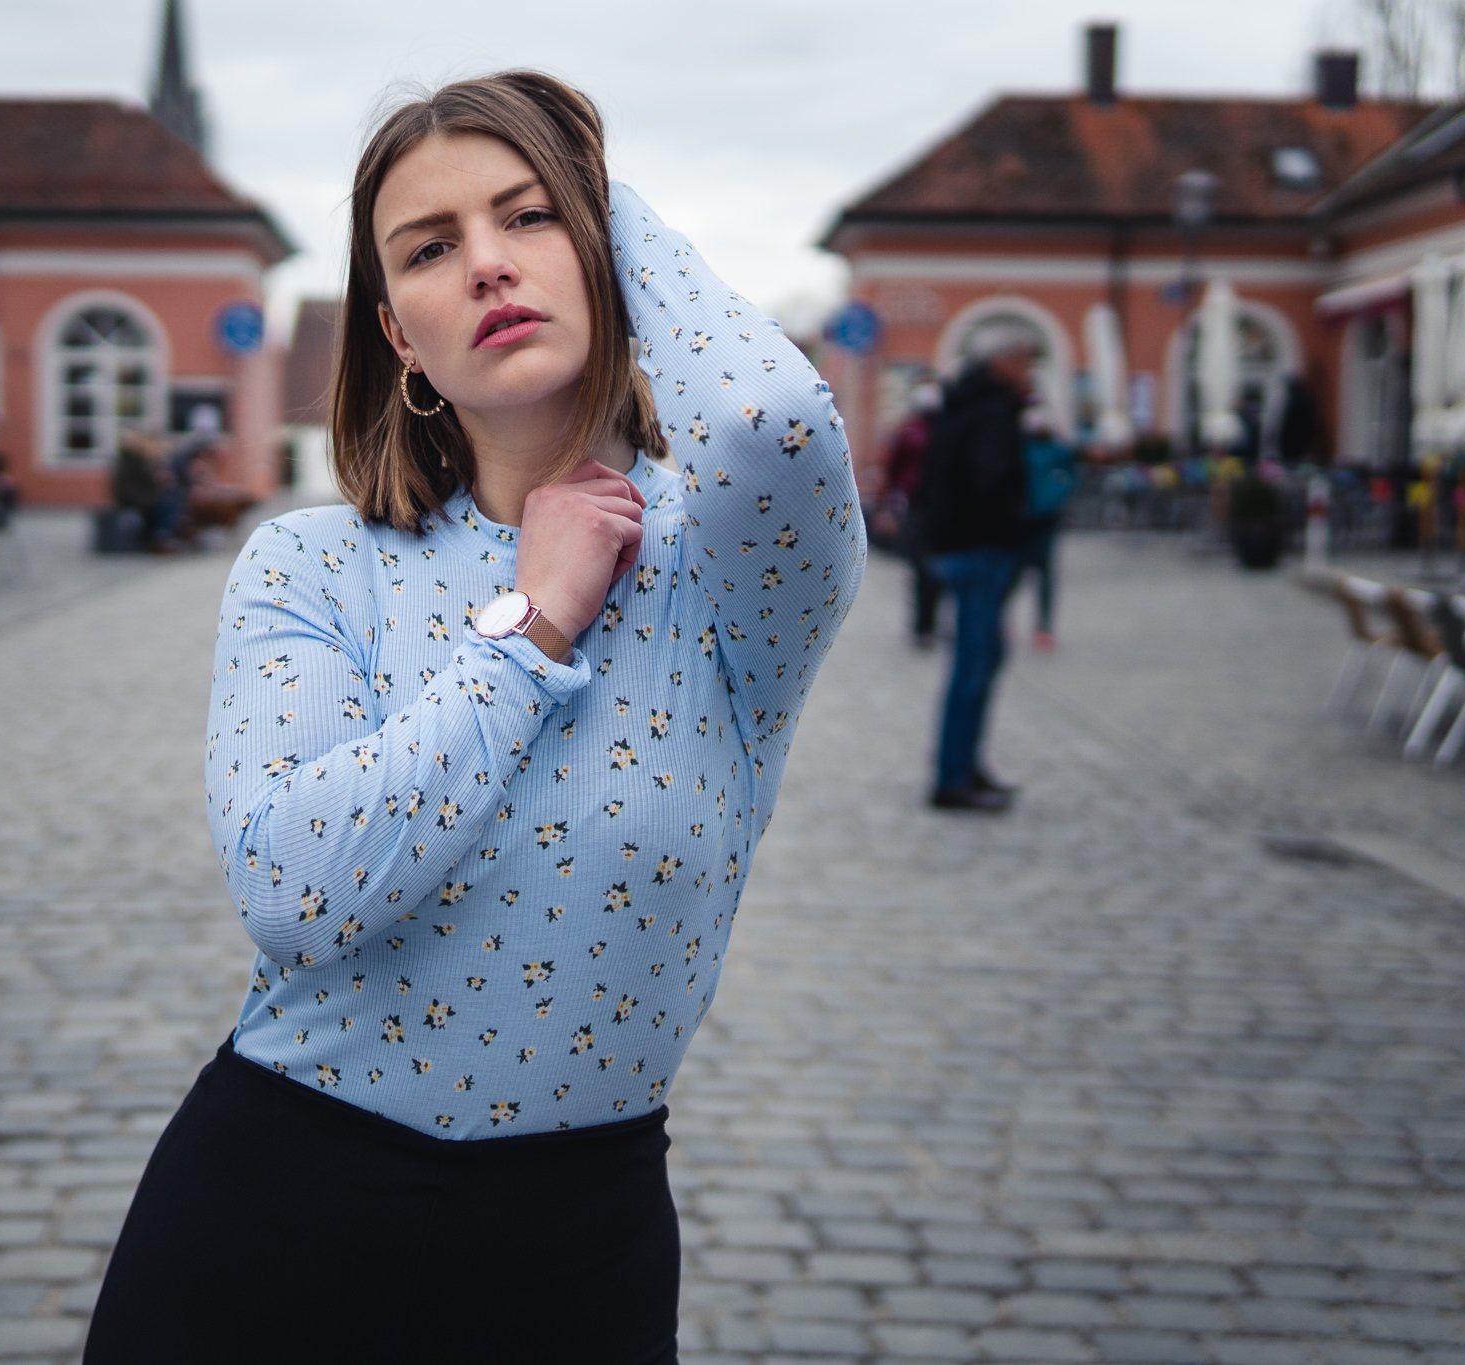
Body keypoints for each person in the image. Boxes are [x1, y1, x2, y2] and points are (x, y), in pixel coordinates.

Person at [83, 70, 865, 1364]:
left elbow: (774, 418)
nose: (491, 267)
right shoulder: (314, 567)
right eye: (434, 249)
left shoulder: (728, 578)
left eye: (532, 219)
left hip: (575, 1254)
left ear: (606, 249)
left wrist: (598, 191)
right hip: (271, 1216)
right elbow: (295, 889)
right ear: (400, 335)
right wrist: (533, 624)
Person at [916, 329, 1032, 813]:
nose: (1029, 367)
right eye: (1024, 358)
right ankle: (954, 775)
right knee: (974, 661)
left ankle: (965, 763)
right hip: (980, 548)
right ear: (1001, 362)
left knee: (983, 657)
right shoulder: (991, 410)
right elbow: (990, 483)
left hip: (959, 546)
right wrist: (1015, 525)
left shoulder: (962, 401)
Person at [1012, 402, 1075, 651]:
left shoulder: (1056, 450)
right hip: (1019, 518)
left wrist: (1056, 496)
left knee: (1045, 573)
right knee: (1013, 572)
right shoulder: (1016, 447)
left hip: (1045, 518)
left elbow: (1070, 476)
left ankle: (1044, 625)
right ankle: (1005, 619)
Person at [883, 383, 942, 648]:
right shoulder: (910, 433)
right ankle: (923, 624)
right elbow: (894, 470)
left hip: (938, 508)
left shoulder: (944, 430)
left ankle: (930, 622)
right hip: (916, 506)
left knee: (935, 570)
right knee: (922, 569)